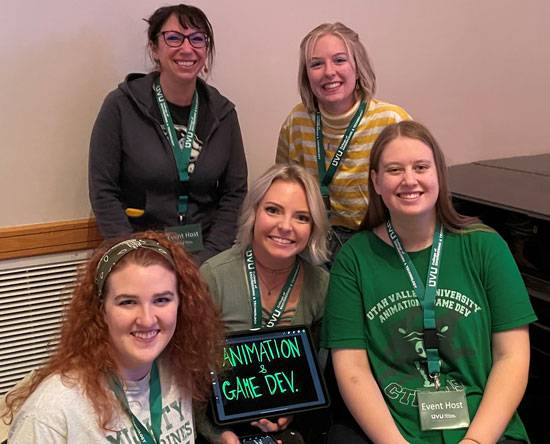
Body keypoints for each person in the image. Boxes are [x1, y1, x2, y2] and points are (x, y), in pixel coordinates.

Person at [321, 120, 536, 444]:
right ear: (376, 182)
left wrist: (476, 441)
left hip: (484, 426)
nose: (409, 180)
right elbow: (352, 369)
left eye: (420, 167)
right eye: (394, 170)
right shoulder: (354, 259)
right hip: (390, 428)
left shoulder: (485, 246)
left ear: (439, 174)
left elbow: (513, 356)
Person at [2, 232, 224, 443]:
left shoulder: (178, 369)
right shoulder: (52, 411)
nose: (147, 319)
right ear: (101, 311)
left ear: (181, 304)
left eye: (162, 300)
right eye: (127, 302)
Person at [89, 4, 247, 264]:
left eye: (197, 39)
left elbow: (235, 192)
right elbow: (103, 190)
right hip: (138, 258)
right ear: (154, 48)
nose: (187, 48)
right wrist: (132, 255)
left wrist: (210, 260)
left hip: (206, 258)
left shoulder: (223, 113)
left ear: (206, 50)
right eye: (174, 38)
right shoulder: (121, 106)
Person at [198, 164, 330, 444]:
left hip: (291, 428)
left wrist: (294, 412)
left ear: (314, 226)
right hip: (217, 426)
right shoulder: (214, 276)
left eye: (302, 217)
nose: (285, 226)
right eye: (273, 210)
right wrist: (217, 434)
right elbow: (186, 370)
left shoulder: (321, 285)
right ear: (253, 213)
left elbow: (316, 373)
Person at [276, 22, 411, 256]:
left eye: (340, 60)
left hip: (379, 239)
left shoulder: (391, 120)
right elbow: (284, 188)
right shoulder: (296, 121)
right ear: (306, 76)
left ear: (358, 68)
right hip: (316, 239)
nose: (329, 72)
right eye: (316, 64)